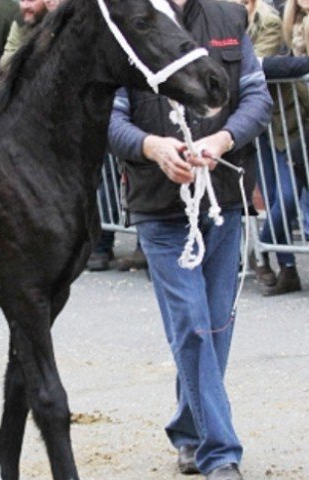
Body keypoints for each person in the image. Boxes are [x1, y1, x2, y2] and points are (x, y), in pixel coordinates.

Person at [108, 0, 272, 478]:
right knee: (193, 328)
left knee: (215, 328)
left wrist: (221, 141)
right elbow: (111, 118)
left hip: (223, 195)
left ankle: (188, 428)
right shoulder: (127, 20)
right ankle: (220, 453)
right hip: (159, 206)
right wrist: (152, 146)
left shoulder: (228, 17)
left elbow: (257, 98)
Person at [230, 0, 309, 294]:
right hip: (254, 125)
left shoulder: (269, 20)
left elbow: (256, 67)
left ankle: (261, 250)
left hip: (284, 120)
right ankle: (288, 270)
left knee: (287, 198)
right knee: (273, 195)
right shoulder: (221, 22)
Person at [0, 0, 46, 68]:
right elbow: (5, 63)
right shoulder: (21, 22)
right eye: (22, 0)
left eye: (31, 0)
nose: (25, 6)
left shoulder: (59, 23)